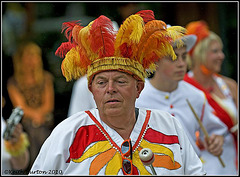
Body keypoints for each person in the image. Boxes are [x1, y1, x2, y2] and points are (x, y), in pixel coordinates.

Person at [29, 11, 205, 175]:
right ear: (91, 90)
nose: (110, 88)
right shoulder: (68, 133)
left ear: (138, 88)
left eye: (121, 81)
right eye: (101, 82)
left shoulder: (169, 126)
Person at [135, 27, 234, 174]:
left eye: (183, 56)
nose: (181, 63)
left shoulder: (196, 95)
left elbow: (215, 130)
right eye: (173, 57)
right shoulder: (138, 97)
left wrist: (216, 140)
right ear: (154, 61)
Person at [183, 20, 238, 175]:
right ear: (199, 54)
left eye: (221, 50)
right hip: (202, 166)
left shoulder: (229, 86)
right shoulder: (182, 88)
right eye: (215, 51)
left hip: (232, 163)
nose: (222, 56)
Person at [7, 41, 55, 171]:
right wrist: (35, 118)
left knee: (39, 131)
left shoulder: (46, 78)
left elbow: (48, 105)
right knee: (33, 132)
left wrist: (38, 117)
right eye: (29, 56)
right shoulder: (13, 82)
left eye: (35, 55)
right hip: (27, 124)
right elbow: (20, 107)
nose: (32, 59)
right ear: (21, 59)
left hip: (43, 121)